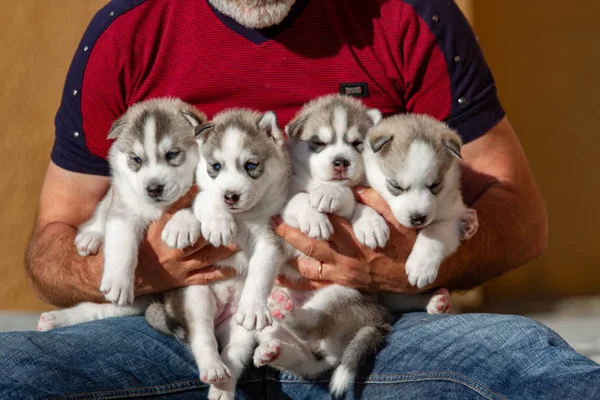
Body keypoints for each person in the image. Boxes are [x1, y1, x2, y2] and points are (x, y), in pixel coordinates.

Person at [5, 0, 598, 398]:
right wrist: (143, 265)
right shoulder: (126, 31)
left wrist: (402, 266)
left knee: (525, 356)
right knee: (16, 369)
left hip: (361, 325)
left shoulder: (411, 15)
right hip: (177, 330)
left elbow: (519, 214)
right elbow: (53, 245)